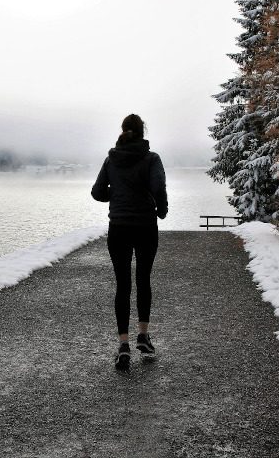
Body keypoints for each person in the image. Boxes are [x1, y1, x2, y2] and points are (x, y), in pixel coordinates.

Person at [91, 114, 168, 371]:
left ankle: (123, 345)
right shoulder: (151, 158)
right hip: (145, 227)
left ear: (123, 131)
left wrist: (118, 194)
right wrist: (161, 209)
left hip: (119, 228)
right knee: (143, 279)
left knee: (122, 284)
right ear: (142, 132)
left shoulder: (111, 159)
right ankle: (143, 337)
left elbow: (97, 192)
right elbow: (158, 186)